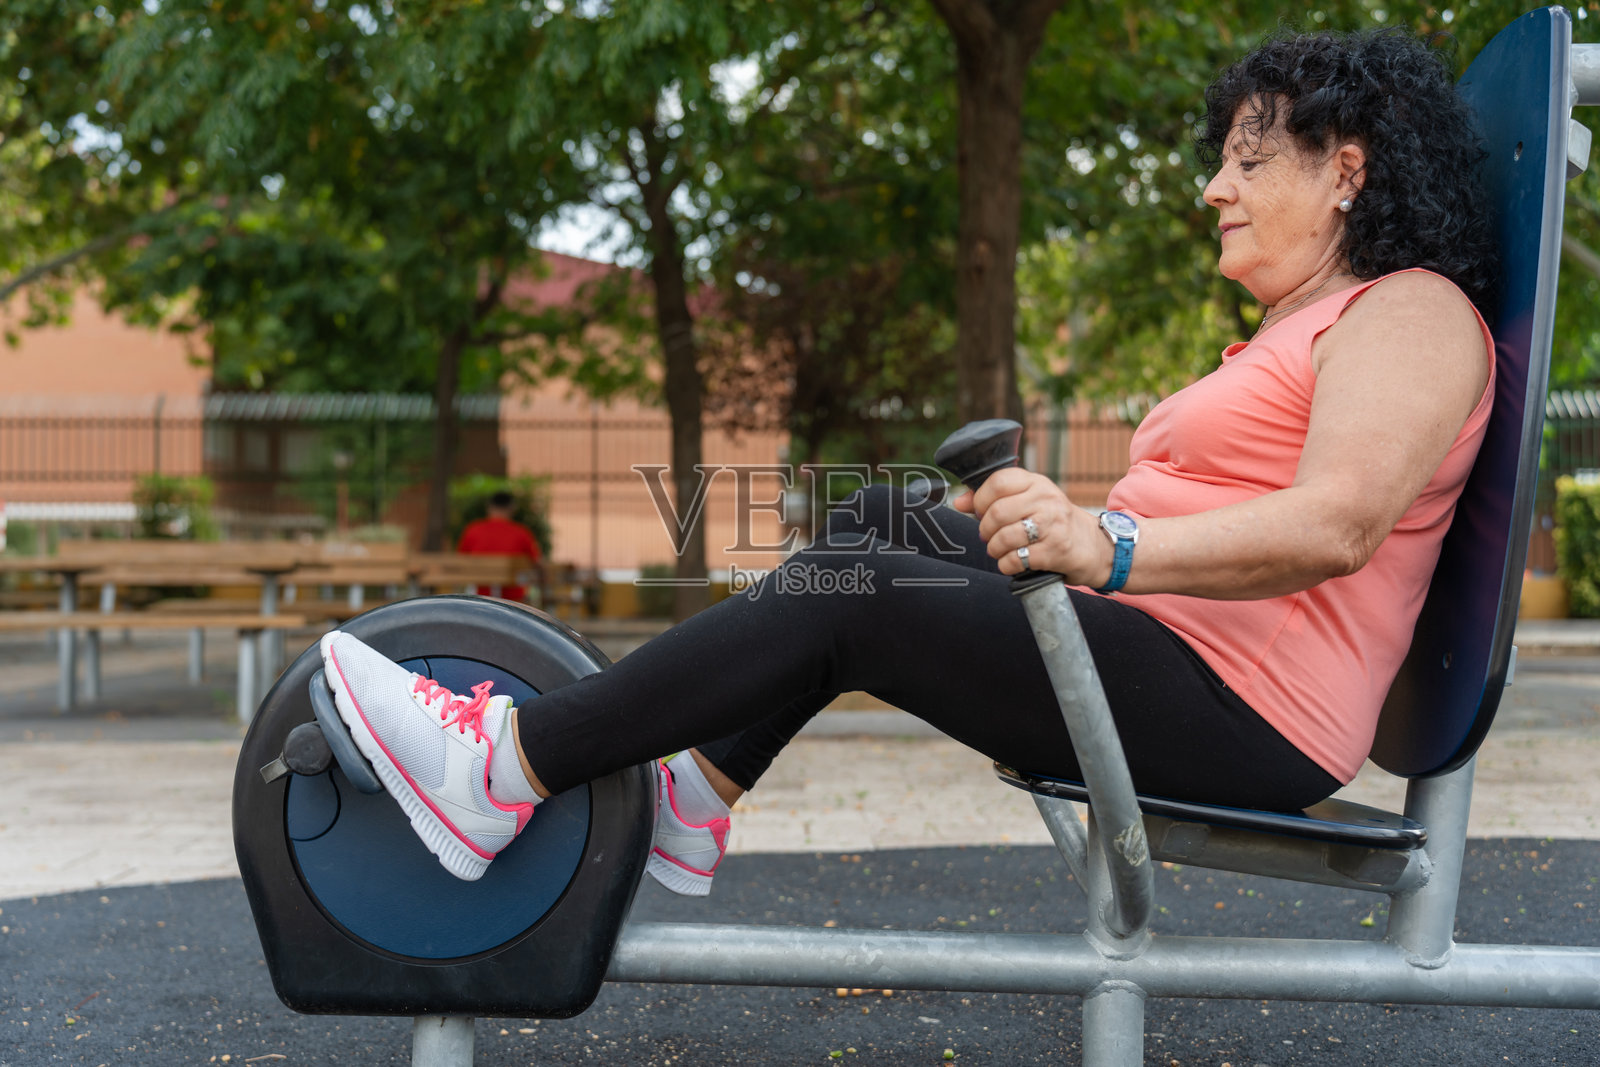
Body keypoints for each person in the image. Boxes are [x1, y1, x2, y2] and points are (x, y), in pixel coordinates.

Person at [316, 27, 1498, 893]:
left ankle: (503, 767)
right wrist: (1079, 538)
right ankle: (691, 800)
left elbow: (1339, 522)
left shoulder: (1411, 313)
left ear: (1344, 166)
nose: (1213, 188)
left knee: (872, 599)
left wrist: (1107, 540)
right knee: (881, 520)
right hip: (1172, 652)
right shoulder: (1299, 328)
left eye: (1247, 161)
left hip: (1244, 708)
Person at [456, 490, 543, 602]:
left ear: (489, 508)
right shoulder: (522, 532)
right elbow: (536, 563)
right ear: (512, 509)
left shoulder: (473, 530)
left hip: (480, 599)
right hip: (514, 601)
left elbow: (460, 561)